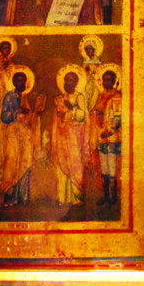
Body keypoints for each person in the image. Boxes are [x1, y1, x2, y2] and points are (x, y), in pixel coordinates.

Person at [1, 71, 44, 206]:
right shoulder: (9, 96)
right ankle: (9, 196)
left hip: (25, 134)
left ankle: (22, 196)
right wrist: (17, 112)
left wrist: (36, 113)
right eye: (19, 81)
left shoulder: (27, 97)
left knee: (26, 162)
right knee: (11, 163)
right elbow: (4, 117)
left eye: (23, 81)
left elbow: (30, 118)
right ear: (14, 82)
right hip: (13, 133)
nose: (21, 84)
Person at [50, 70, 89, 204]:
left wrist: (71, 109)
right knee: (61, 165)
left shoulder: (79, 97)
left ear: (76, 83)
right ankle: (62, 198)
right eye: (67, 80)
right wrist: (60, 116)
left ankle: (76, 198)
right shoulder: (61, 98)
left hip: (74, 137)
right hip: (62, 136)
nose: (68, 83)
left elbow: (82, 116)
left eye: (72, 80)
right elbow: (57, 117)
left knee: (75, 165)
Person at [94, 70, 122, 206]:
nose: (106, 82)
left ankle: (113, 198)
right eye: (104, 80)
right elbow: (97, 112)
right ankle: (106, 196)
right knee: (104, 168)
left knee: (112, 169)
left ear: (114, 81)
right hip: (101, 136)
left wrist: (110, 131)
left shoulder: (117, 97)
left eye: (109, 80)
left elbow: (118, 117)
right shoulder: (101, 95)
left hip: (112, 137)